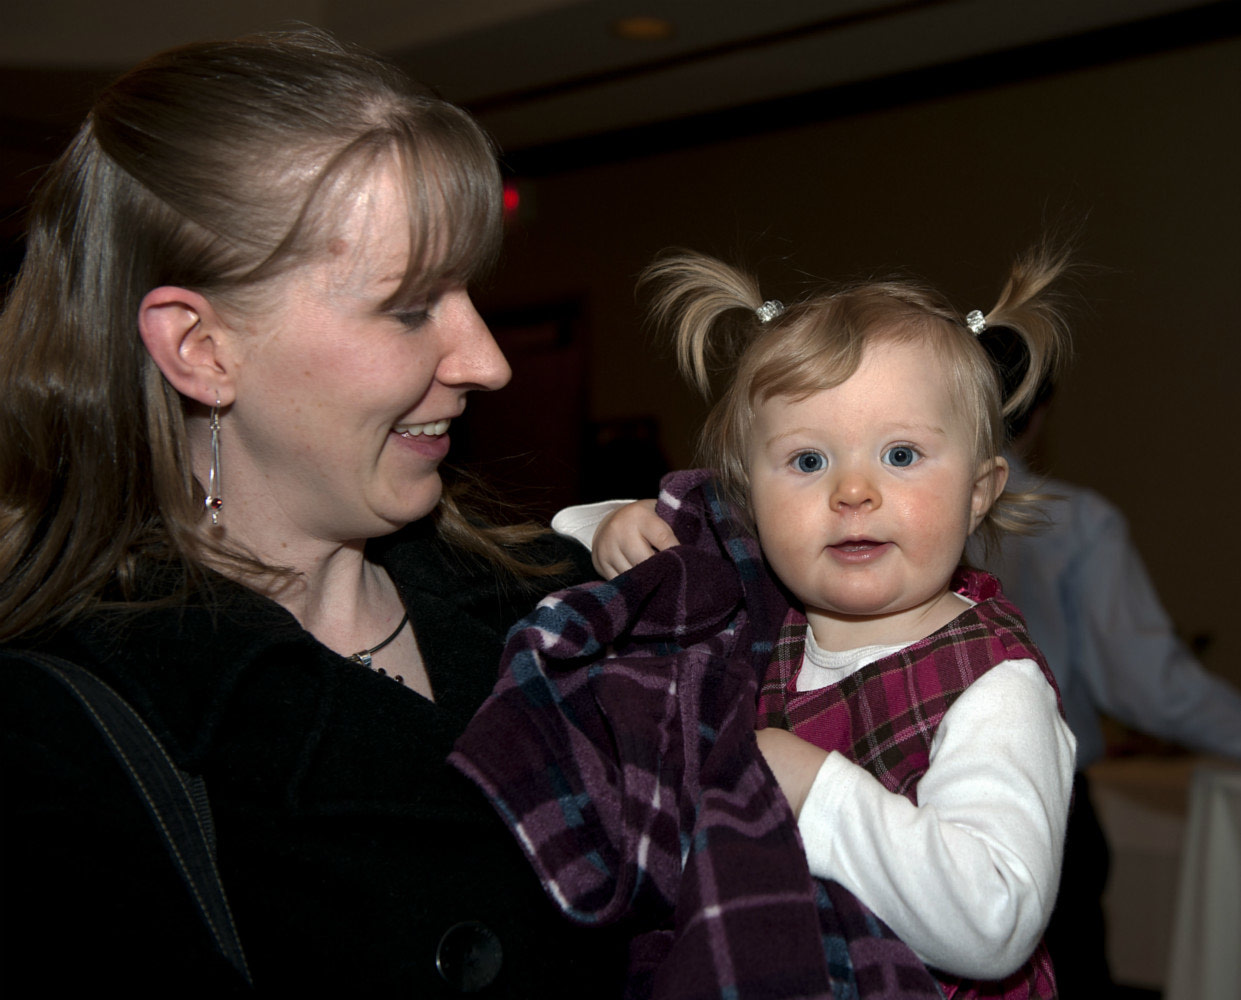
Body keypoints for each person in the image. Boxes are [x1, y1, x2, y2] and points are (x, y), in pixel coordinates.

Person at [0, 29, 633, 995]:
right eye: (410, 307)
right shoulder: (60, 739)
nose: (488, 362)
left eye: (468, 293)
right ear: (201, 348)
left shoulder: (564, 611)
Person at [559, 249, 1079, 999]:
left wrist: (816, 790)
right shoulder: (762, 612)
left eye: (900, 454)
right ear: (749, 495)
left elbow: (996, 920)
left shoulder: (995, 688)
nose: (853, 491)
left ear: (978, 493)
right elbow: (639, 560)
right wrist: (617, 525)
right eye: (807, 461)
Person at [968, 337, 1241, 998]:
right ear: (1040, 412)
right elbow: (1148, 686)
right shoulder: (1075, 522)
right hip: (1046, 811)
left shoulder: (887, 509)